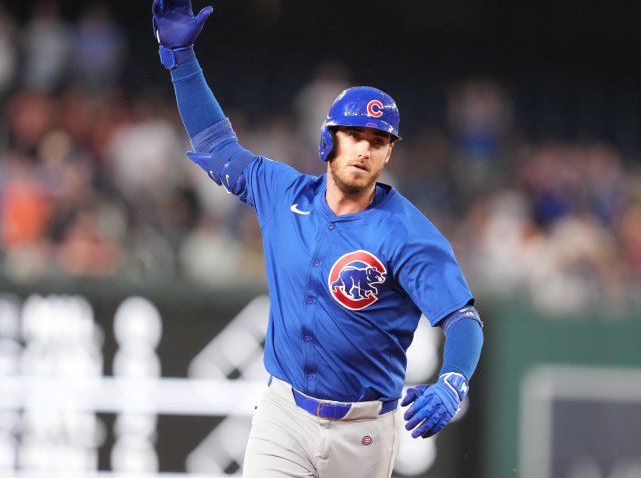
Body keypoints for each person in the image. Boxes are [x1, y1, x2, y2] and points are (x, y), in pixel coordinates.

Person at [151, 1, 484, 477]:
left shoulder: (406, 232)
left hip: (365, 431)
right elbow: (217, 146)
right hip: (283, 414)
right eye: (353, 134)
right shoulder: (283, 192)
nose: (364, 148)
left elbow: (463, 318)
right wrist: (180, 59)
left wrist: (453, 381)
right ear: (328, 140)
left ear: (389, 152)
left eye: (378, 140)